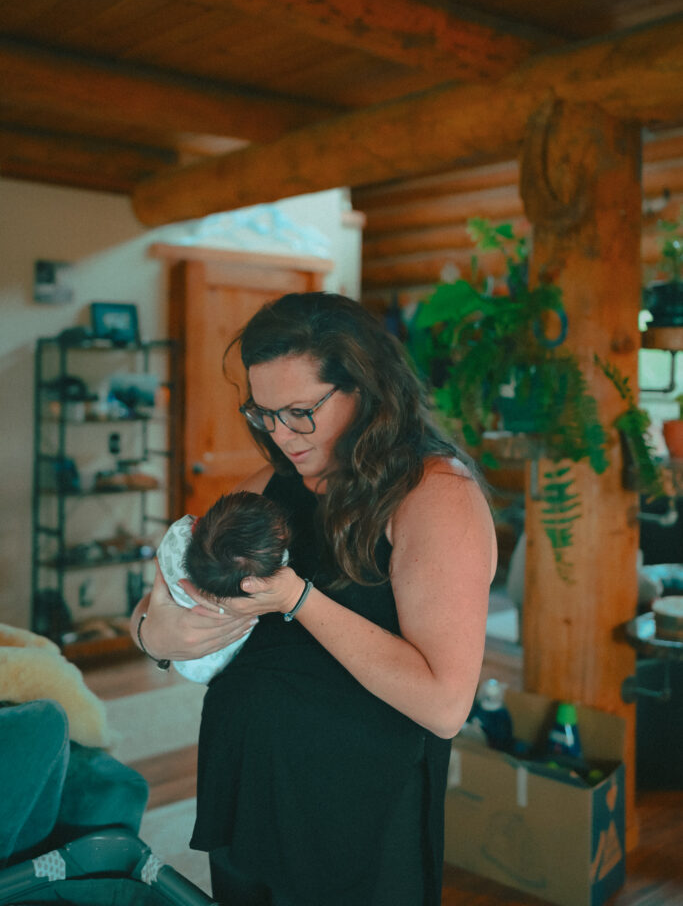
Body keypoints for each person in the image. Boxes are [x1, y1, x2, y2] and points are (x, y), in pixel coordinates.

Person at [131, 291, 497, 906]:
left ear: (365, 389)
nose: (280, 435)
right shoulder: (269, 486)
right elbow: (154, 604)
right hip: (249, 788)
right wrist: (156, 638)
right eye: (263, 413)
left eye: (300, 411)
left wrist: (297, 598)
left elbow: (444, 704)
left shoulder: (433, 495)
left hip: (352, 808)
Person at [155, 491, 291, 683]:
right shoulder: (254, 589)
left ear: (196, 525)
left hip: (181, 655)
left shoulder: (176, 536)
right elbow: (281, 566)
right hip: (221, 662)